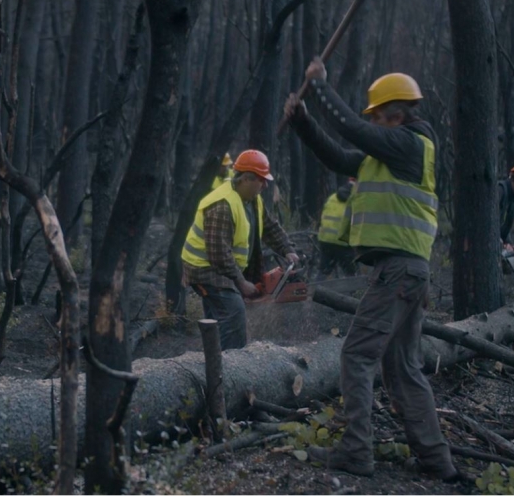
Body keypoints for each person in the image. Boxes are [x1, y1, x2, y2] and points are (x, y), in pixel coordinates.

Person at [283, 59, 459, 482]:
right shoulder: (386, 154)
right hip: (407, 273)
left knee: (357, 355)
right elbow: (340, 156)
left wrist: (319, 87)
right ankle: (436, 461)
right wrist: (303, 122)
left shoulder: (410, 144)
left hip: (398, 272)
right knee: (402, 367)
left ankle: (357, 451)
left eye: (377, 117)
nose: (373, 125)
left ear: (394, 115)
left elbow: (354, 131)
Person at [181, 150, 301, 350]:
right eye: (261, 180)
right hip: (204, 269)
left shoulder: (252, 199)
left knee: (217, 318)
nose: (265, 186)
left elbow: (270, 226)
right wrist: (241, 282)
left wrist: (287, 249)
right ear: (246, 179)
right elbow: (219, 254)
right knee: (234, 312)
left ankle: (213, 360)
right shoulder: (222, 205)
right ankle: (233, 362)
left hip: (221, 267)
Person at [316, 179, 358, 280]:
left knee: (324, 272)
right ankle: (353, 289)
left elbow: (321, 217)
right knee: (351, 274)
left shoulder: (332, 197)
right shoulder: (357, 199)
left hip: (325, 240)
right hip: (343, 242)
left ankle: (315, 288)